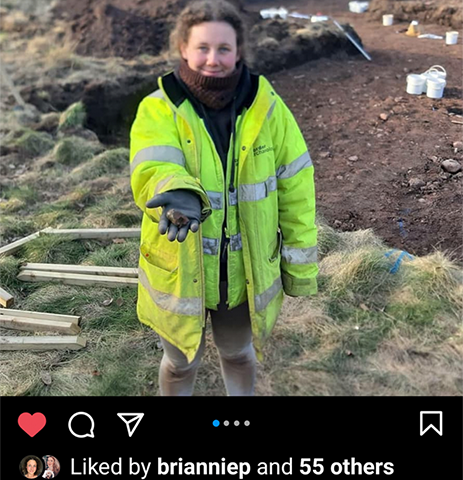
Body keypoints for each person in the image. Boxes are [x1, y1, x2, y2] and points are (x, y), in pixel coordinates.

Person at [130, 0, 317, 396]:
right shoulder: (159, 108)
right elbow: (151, 165)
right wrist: (176, 189)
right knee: (180, 365)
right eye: (202, 47)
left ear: (239, 51)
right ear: (183, 48)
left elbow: (297, 189)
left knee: (237, 355)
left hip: (242, 277)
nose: (212, 59)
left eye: (223, 48)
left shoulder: (269, 109)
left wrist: (299, 271)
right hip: (180, 270)